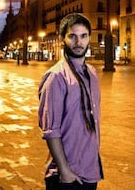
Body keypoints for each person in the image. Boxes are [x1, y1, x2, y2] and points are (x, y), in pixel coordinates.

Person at [38, 13, 103, 190]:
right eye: (72, 36)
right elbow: (50, 130)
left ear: (89, 37)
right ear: (63, 39)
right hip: (66, 175)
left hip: (90, 170)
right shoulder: (56, 76)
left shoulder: (92, 73)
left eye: (83, 36)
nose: (78, 42)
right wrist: (65, 171)